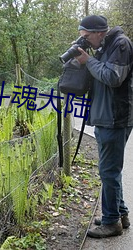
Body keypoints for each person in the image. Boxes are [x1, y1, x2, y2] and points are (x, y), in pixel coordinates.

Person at [75, 15, 133, 238]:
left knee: (108, 171)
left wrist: (88, 61)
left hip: (115, 118)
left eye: (87, 37)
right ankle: (120, 214)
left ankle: (111, 223)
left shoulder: (121, 44)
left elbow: (112, 77)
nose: (86, 41)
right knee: (110, 171)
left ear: (99, 32)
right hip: (105, 116)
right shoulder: (104, 46)